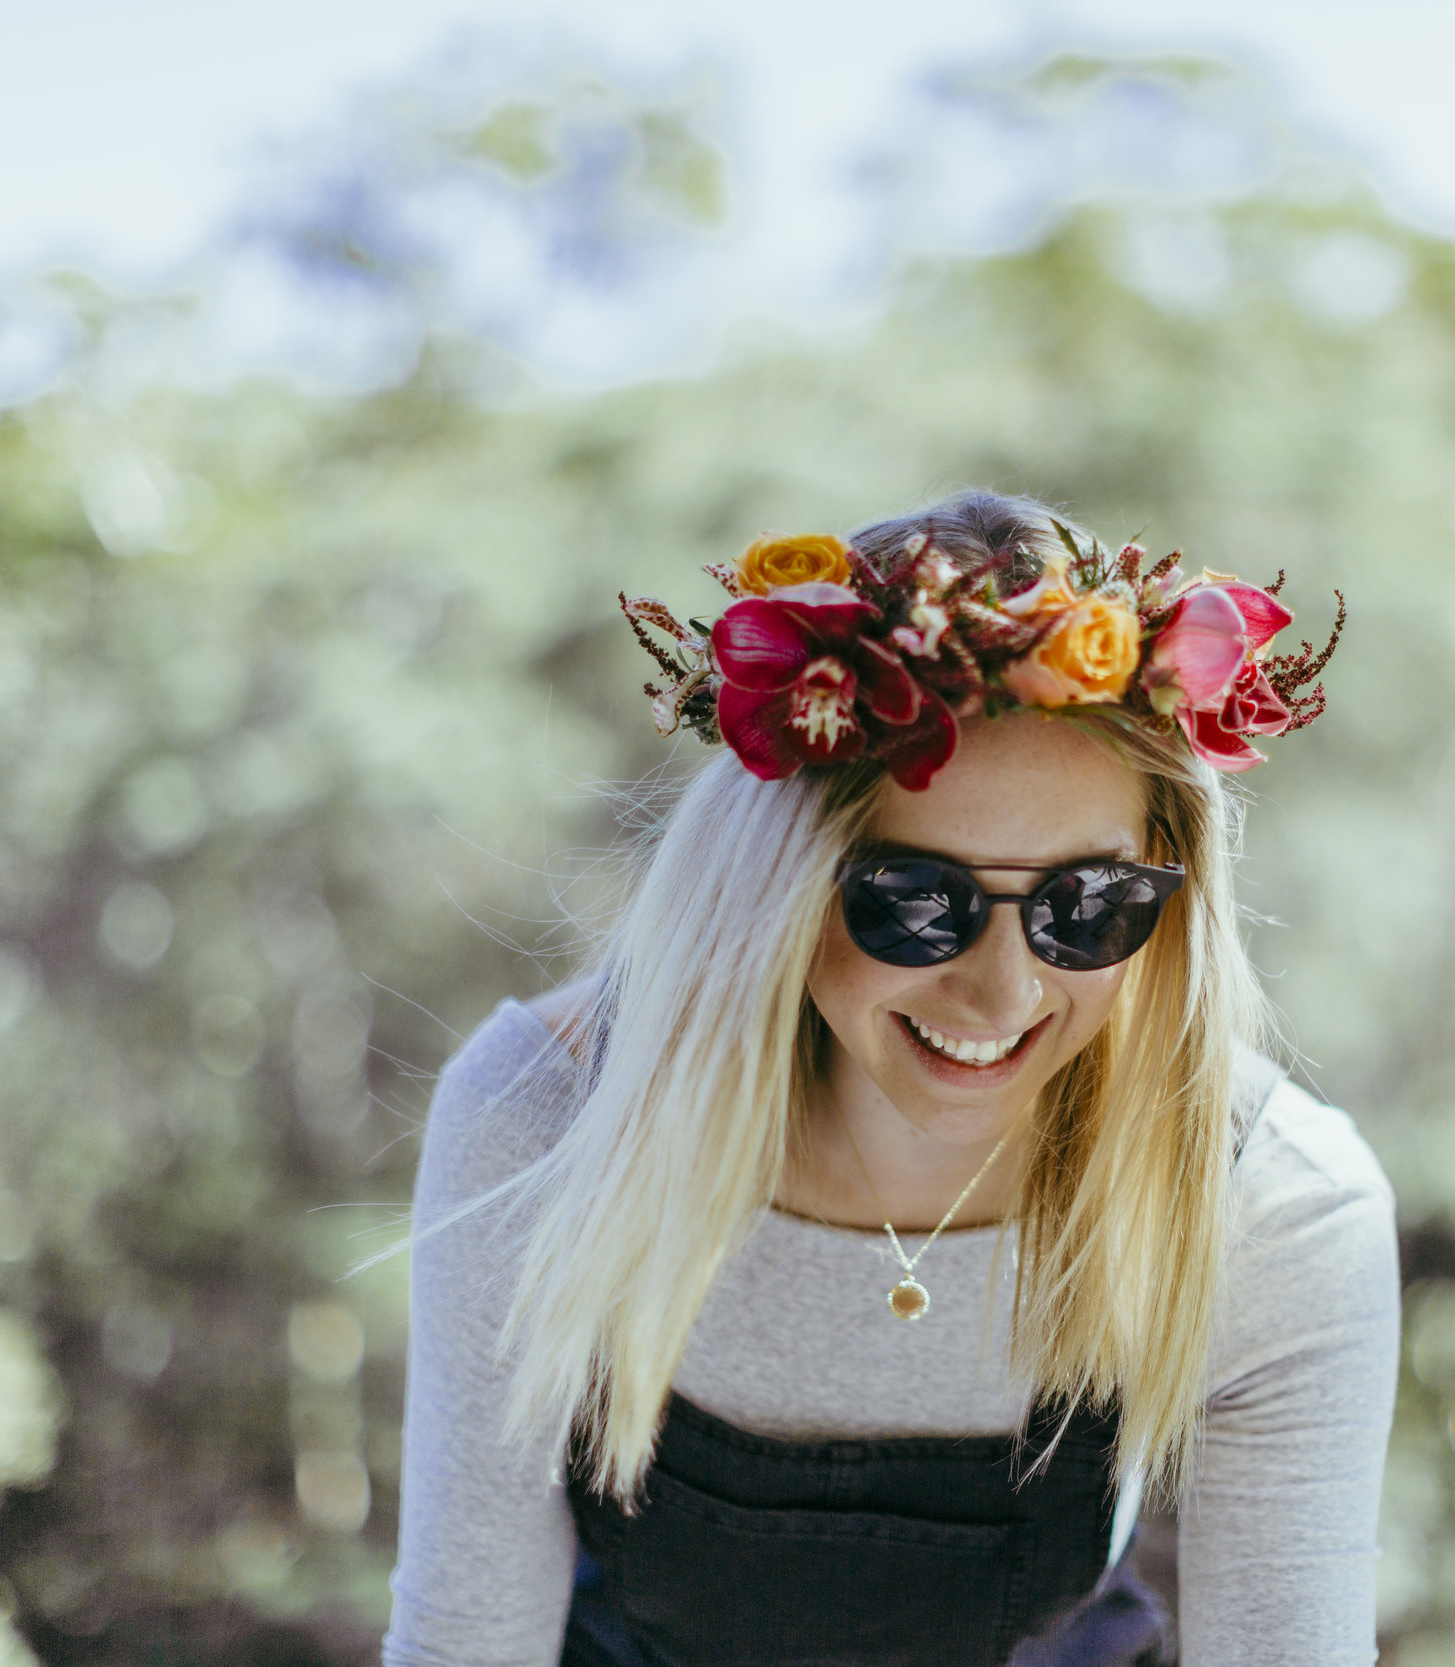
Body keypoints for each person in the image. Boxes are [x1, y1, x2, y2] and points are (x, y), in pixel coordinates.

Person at [382, 492, 1398, 1667]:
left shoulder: (1279, 1207)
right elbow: (464, 1644)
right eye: (918, 903)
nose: (1004, 993)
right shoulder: (547, 1120)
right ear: (780, 886)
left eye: (1088, 906)